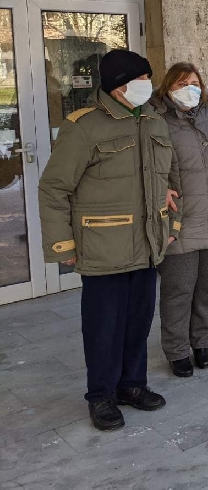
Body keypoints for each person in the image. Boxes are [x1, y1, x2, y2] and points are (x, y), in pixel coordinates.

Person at [38, 50, 179, 431]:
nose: (148, 84)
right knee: (104, 327)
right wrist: (62, 244)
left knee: (137, 322)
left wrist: (173, 225)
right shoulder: (83, 127)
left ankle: (132, 385)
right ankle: (100, 395)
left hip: (148, 244)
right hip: (104, 247)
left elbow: (170, 180)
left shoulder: (153, 120)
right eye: (141, 78)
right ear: (119, 87)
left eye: (148, 77)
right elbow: (54, 189)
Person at [153, 63, 208, 378]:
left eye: (194, 82)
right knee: (178, 290)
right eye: (181, 83)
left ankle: (201, 341)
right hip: (182, 221)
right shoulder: (157, 120)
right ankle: (176, 350)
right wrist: (158, 188)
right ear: (168, 87)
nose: (189, 88)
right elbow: (148, 165)